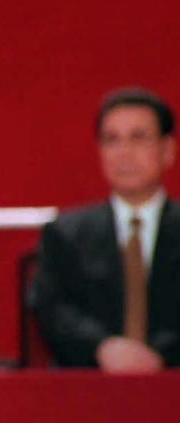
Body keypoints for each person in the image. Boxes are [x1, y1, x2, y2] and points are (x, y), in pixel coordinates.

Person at [31, 87, 180, 371]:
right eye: (112, 140)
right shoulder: (65, 234)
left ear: (168, 150)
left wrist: (156, 357)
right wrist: (103, 347)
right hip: (91, 387)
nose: (124, 153)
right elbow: (52, 309)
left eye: (139, 138)